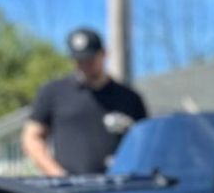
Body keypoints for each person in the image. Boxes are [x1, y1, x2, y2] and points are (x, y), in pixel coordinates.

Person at [23, 27, 147, 176]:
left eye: (90, 59)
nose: (84, 65)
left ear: (104, 54)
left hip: (120, 189)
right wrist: (57, 174)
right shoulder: (53, 92)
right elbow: (32, 136)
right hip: (71, 191)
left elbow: (145, 143)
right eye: (79, 60)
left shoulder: (129, 98)